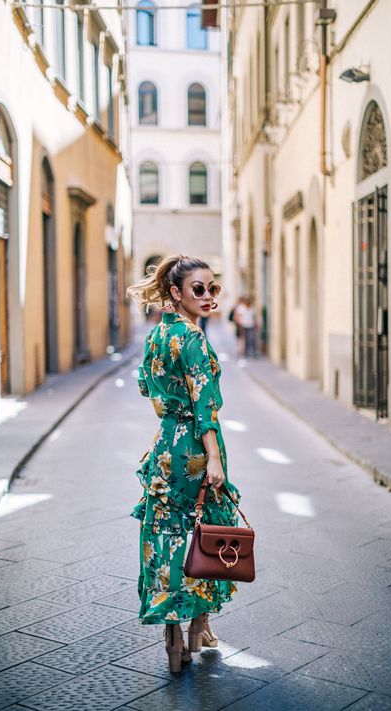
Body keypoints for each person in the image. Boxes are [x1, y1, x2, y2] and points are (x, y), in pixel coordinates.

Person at [126, 255, 241, 673]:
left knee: (168, 536)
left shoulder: (158, 335)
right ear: (176, 293)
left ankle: (176, 636)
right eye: (199, 289)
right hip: (196, 447)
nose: (208, 296)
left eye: (214, 288)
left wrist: (171, 406)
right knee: (205, 533)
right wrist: (212, 457)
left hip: (165, 447)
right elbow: (205, 402)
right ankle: (199, 626)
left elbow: (145, 385)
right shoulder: (192, 338)